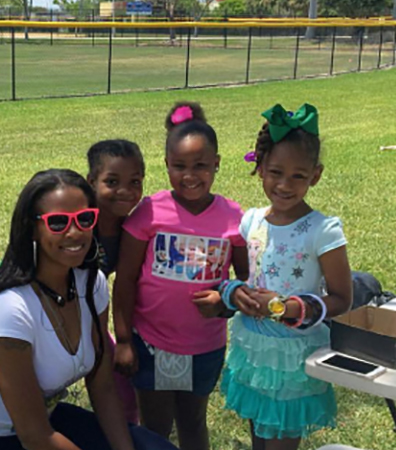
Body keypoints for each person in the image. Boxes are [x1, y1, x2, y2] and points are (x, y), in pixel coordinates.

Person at [0, 169, 176, 450]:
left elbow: (102, 386)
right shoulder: (10, 308)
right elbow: (34, 435)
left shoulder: (92, 284)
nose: (75, 232)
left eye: (84, 219)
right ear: (32, 228)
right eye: (57, 223)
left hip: (48, 422)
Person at [113, 102, 249, 450]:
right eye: (180, 166)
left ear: (216, 164)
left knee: (192, 423)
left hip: (205, 346)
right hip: (152, 344)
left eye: (201, 165)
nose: (190, 175)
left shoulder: (234, 219)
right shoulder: (150, 212)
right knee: (155, 427)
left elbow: (248, 284)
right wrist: (125, 340)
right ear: (167, 166)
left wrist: (225, 303)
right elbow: (125, 279)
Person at [219, 104, 353, 450]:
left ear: (316, 175)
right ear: (260, 169)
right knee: (258, 435)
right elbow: (243, 277)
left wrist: (285, 307)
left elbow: (342, 298)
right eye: (275, 172)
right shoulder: (250, 220)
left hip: (292, 355)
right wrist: (235, 292)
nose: (284, 184)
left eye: (298, 175)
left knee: (280, 440)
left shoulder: (323, 230)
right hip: (253, 346)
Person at [86, 139, 146, 424]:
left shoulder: (131, 228)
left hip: (92, 323)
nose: (125, 191)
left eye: (135, 181)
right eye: (112, 181)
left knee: (123, 393)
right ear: (91, 181)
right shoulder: (78, 226)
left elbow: (126, 285)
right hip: (48, 323)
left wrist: (122, 341)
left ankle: (126, 435)